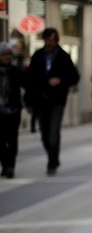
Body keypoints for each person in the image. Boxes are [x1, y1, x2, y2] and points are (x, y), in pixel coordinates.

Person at [23, 27, 80, 175]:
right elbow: (30, 81)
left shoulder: (63, 57)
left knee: (54, 132)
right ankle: (52, 157)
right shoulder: (37, 56)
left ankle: (52, 162)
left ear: (56, 40)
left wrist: (61, 80)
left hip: (57, 101)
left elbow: (75, 77)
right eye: (47, 39)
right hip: (41, 101)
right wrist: (28, 101)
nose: (49, 42)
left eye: (52, 39)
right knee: (45, 133)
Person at [0, 42, 23, 179]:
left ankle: (10, 166)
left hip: (13, 110)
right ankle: (5, 164)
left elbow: (27, 86)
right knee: (1, 140)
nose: (7, 57)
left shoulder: (16, 72)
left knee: (12, 139)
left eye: (9, 54)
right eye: (4, 54)